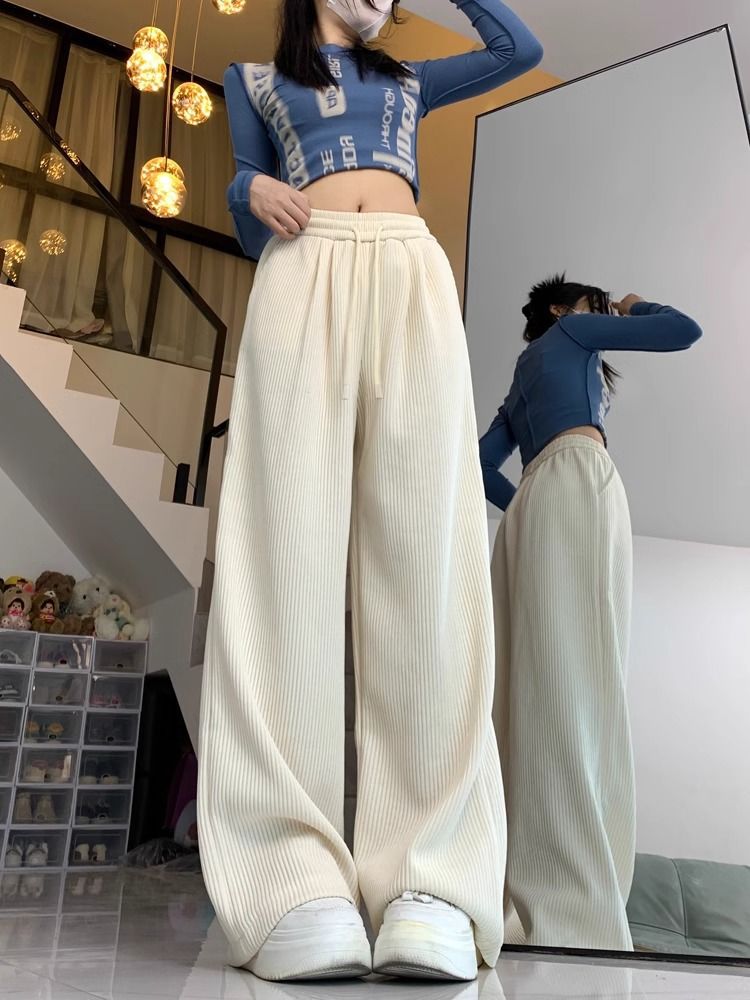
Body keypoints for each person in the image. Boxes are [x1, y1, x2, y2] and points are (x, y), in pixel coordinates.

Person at [197, 0, 543, 985]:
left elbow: (518, 48)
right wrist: (247, 188)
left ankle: (431, 878)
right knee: (283, 559)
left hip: (408, 273)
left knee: (428, 561)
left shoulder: (407, 81)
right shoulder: (251, 82)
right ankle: (290, 878)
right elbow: (245, 219)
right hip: (299, 275)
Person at [479, 275, 702, 950]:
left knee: (532, 689)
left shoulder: (521, 379)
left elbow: (479, 463)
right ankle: (577, 904)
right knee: (588, 681)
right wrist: (633, 306)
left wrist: (526, 504)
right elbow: (682, 329)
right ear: (560, 310)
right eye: (592, 303)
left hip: (534, 509)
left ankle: (527, 886)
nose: (601, 312)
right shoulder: (574, 333)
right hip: (579, 483)